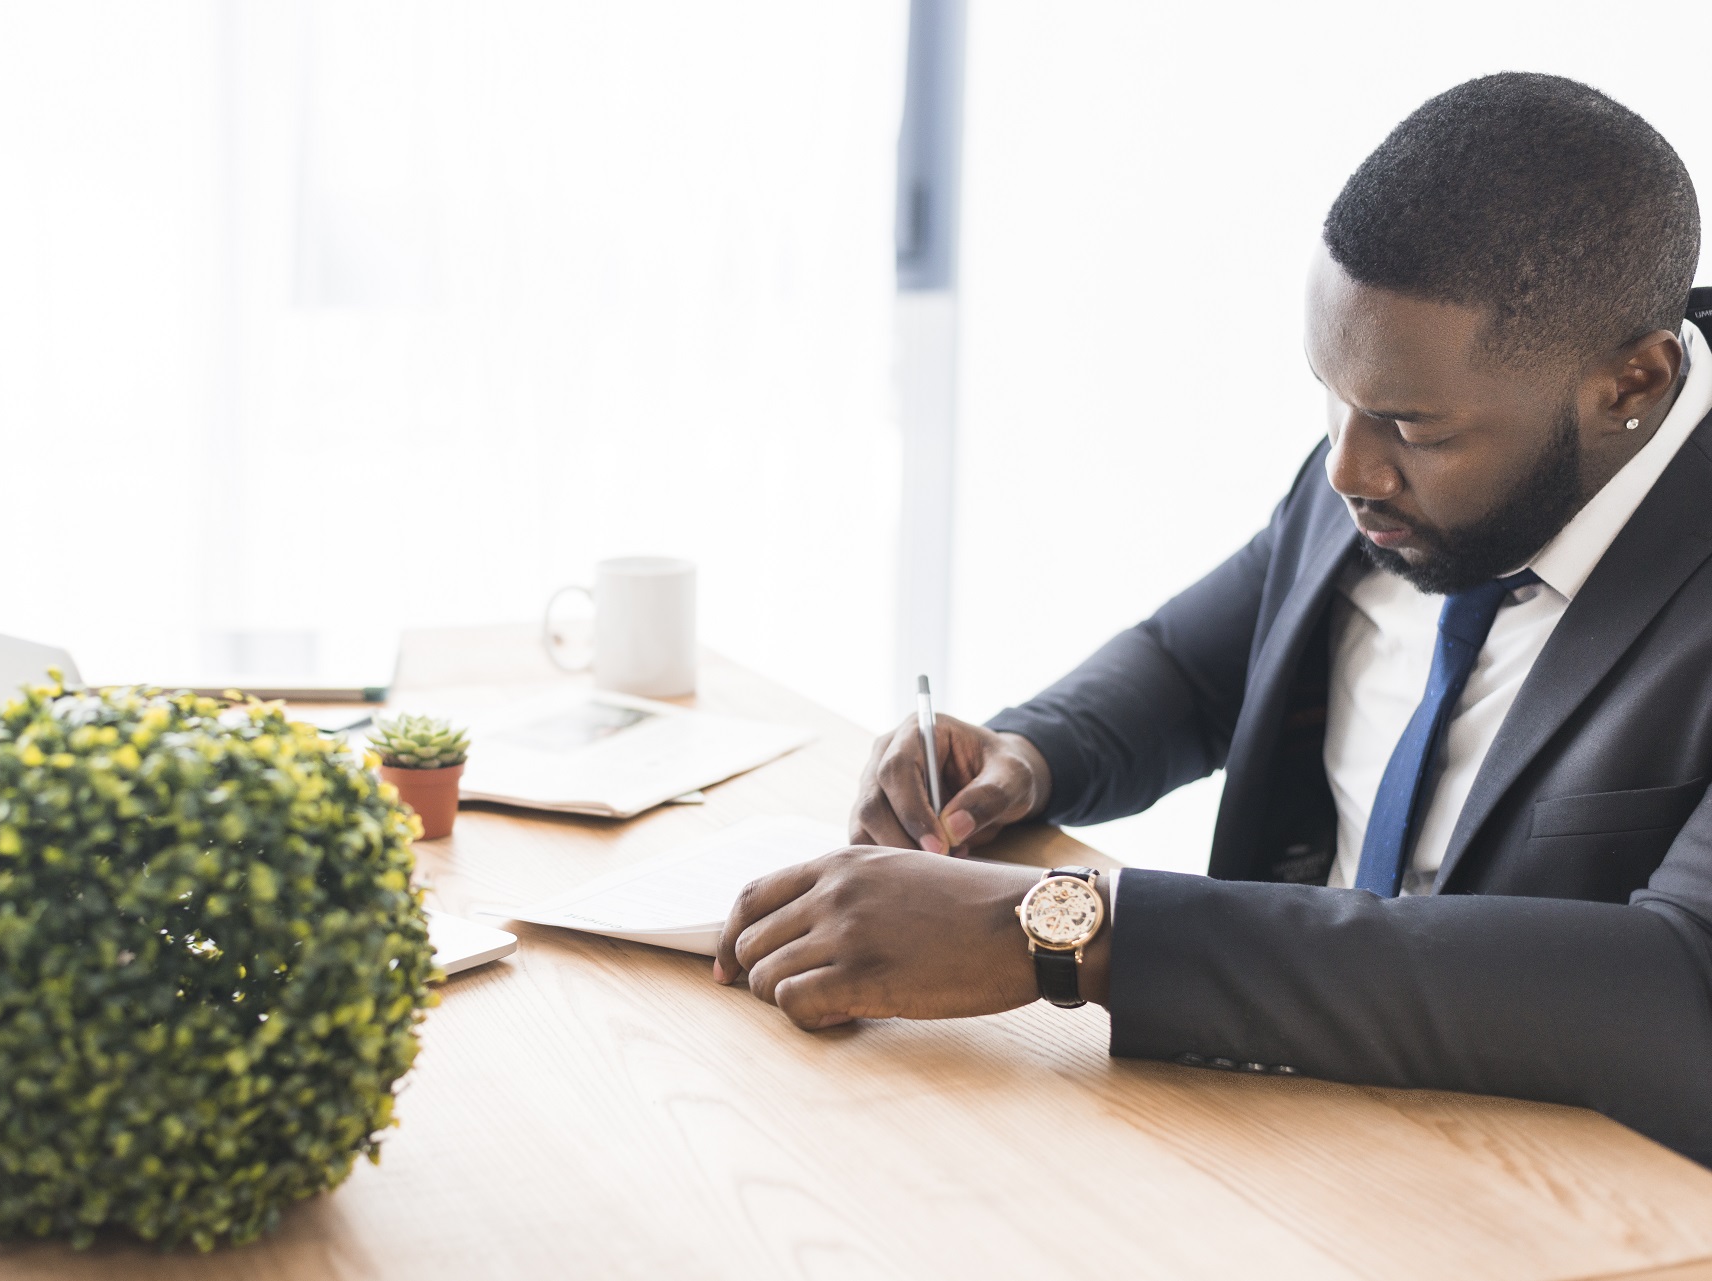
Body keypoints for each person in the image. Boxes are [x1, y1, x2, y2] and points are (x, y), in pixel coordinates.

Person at [713, 72, 1712, 1166]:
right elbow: (1199, 669)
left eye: (1410, 427)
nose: (1345, 468)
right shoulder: (1400, 451)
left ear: (1632, 385)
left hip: (1554, 1190)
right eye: (1330, 392)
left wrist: (1070, 930)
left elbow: (1682, 987)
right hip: (1283, 1132)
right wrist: (1028, 754)